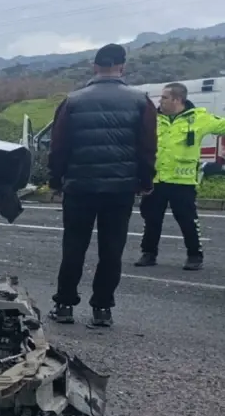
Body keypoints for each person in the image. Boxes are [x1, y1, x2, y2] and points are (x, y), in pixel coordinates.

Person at [47, 43, 157, 327]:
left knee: (74, 246)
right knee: (111, 249)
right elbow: (147, 147)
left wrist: (56, 180)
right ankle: (102, 309)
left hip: (79, 187)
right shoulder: (140, 101)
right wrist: (145, 181)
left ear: (94, 67)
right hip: (120, 188)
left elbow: (58, 147)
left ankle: (64, 305)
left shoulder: (72, 101)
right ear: (122, 67)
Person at [134, 82, 225, 271]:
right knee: (151, 219)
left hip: (182, 182)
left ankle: (194, 255)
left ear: (177, 99)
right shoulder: (153, 119)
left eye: (164, 97)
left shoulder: (199, 119)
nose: (160, 101)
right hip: (157, 179)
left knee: (188, 221)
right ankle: (148, 253)